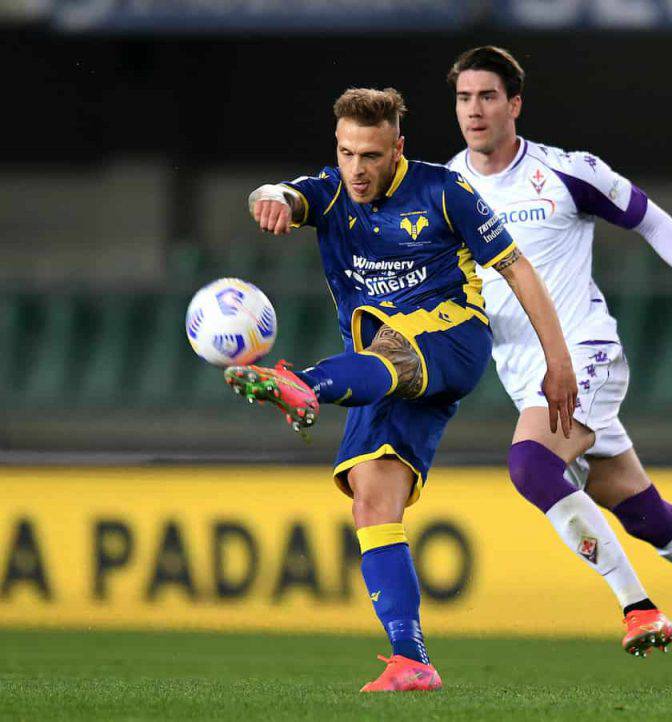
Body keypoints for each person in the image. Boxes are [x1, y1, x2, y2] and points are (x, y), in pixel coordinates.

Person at [445, 46, 672, 676]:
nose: (474, 110)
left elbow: (652, 220)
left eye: (488, 96)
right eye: (464, 98)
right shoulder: (444, 189)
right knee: (645, 515)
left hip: (584, 355)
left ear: (514, 105)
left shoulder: (565, 173)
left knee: (531, 465)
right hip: (523, 374)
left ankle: (639, 608)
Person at [233, 87, 578, 691]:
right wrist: (270, 200)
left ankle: (302, 384)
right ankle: (411, 659)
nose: (357, 169)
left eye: (370, 155)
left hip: (451, 339)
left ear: (398, 148)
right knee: (371, 506)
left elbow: (517, 267)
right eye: (346, 153)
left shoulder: (444, 192)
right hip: (374, 373)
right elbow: (280, 192)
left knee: (389, 349)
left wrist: (559, 363)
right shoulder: (332, 190)